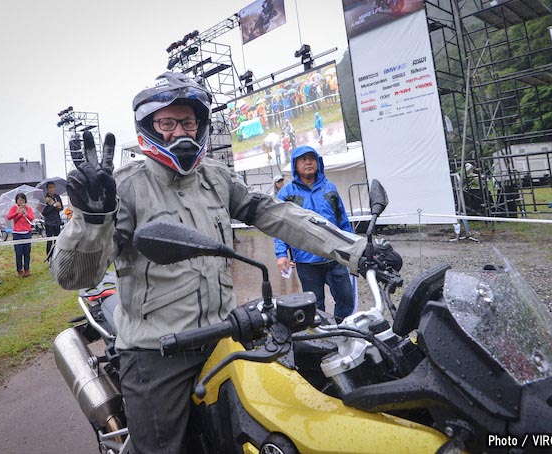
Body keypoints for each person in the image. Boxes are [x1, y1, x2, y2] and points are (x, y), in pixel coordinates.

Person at [50, 71, 400, 453]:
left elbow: (275, 213)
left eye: (188, 121)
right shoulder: (126, 187)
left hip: (225, 333)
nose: (178, 132)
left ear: (200, 125)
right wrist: (92, 219)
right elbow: (75, 275)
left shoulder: (216, 177)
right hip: (158, 350)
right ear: (150, 126)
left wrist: (354, 248)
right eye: (167, 122)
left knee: (284, 411)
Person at [274, 145, 358, 320]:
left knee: (346, 301)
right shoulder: (287, 194)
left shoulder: (330, 189)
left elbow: (342, 221)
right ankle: (323, 338)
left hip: (334, 257)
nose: (308, 162)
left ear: (318, 162)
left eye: (312, 158)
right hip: (307, 262)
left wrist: (352, 250)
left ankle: (341, 331)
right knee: (314, 306)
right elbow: (280, 226)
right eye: (303, 159)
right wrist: (281, 254)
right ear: (295, 165)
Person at [7, 193, 35, 277]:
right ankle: (19, 270)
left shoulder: (28, 208)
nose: (21, 201)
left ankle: (27, 269)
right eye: (19, 200)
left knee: (27, 252)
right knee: (18, 253)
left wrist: (26, 214)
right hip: (17, 233)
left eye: (22, 200)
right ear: (16, 201)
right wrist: (17, 213)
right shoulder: (14, 208)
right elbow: (9, 217)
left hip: (27, 232)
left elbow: (32, 218)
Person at [42, 182, 63, 261]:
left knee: (57, 241)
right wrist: (53, 206)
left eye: (53, 187)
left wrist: (58, 206)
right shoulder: (45, 198)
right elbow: (44, 212)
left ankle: (57, 257)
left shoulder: (57, 197)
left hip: (57, 221)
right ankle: (49, 258)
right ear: (47, 189)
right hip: (49, 223)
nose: (52, 189)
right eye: (50, 188)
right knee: (49, 241)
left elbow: (61, 208)